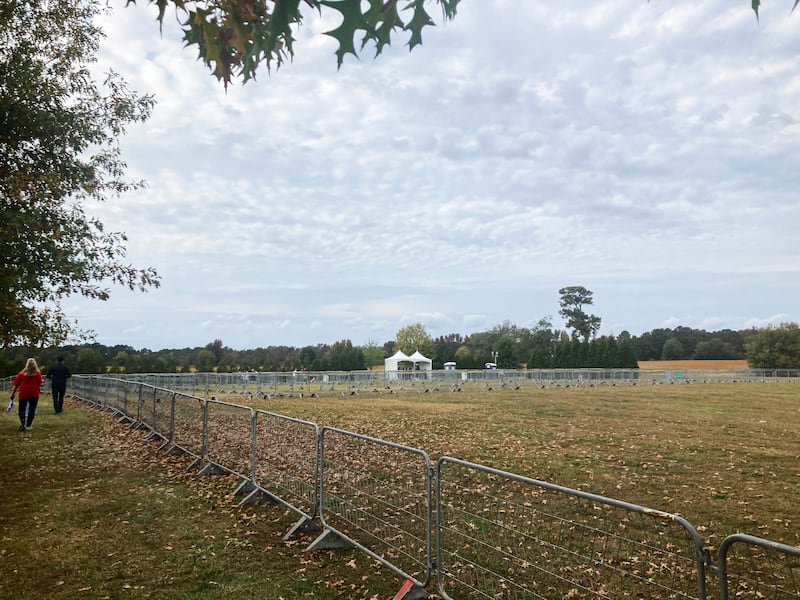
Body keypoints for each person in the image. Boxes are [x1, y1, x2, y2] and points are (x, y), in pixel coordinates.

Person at [11, 358, 45, 432]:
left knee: (22, 409)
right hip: (34, 394)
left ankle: (22, 423)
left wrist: (13, 394)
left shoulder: (21, 374)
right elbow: (41, 384)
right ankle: (29, 425)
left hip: (23, 393)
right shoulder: (37, 374)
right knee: (32, 409)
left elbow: (16, 385)